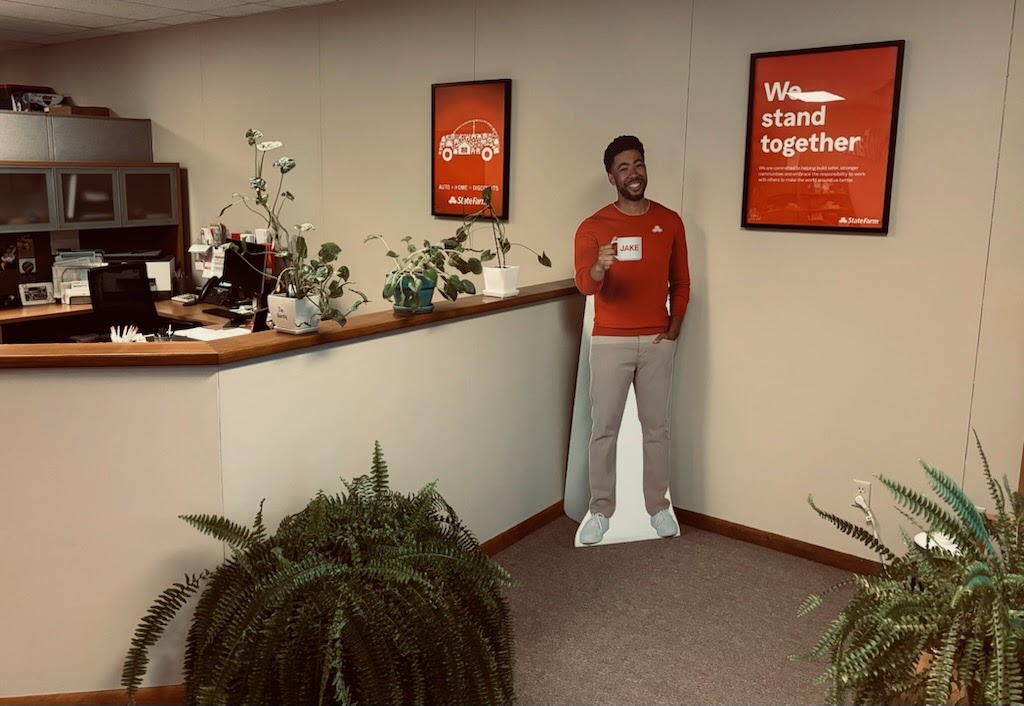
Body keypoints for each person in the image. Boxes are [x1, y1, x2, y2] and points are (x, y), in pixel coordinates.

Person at [573, 135, 691, 545]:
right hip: (610, 342)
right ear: (611, 178)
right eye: (623, 168)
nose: (633, 173)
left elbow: (681, 282)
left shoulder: (670, 221)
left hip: (657, 341)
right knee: (604, 429)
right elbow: (585, 285)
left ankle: (658, 507)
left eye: (638, 164)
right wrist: (600, 266)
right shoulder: (593, 227)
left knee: (656, 428)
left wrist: (674, 327)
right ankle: (600, 510)